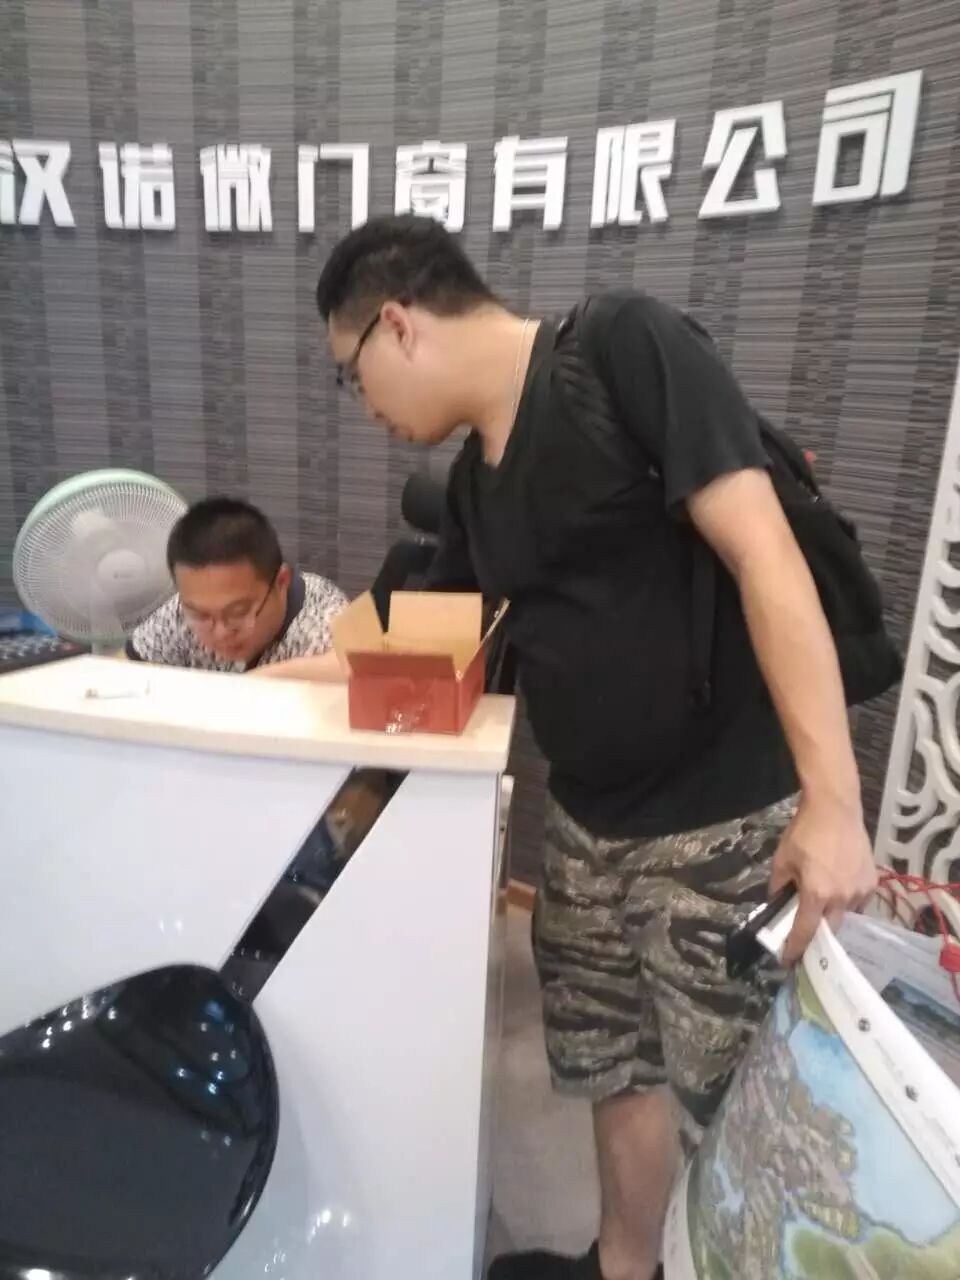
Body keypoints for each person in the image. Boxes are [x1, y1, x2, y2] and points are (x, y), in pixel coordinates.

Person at [313, 216, 878, 1280]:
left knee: (745, 1109)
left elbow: (765, 555)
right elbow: (430, 650)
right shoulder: (475, 484)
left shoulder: (621, 347)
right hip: (583, 827)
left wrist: (834, 802)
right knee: (614, 1066)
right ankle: (626, 1266)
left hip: (720, 827)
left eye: (353, 375)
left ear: (397, 325)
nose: (367, 406)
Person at [126, 496, 346, 675]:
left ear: (281, 582)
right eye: (201, 616)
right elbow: (125, 670)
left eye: (238, 613)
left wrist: (258, 682)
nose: (221, 633)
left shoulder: (323, 623)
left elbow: (350, 669)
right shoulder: (186, 609)